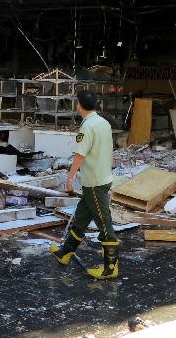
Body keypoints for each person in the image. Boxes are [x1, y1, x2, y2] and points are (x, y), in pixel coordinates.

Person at [50, 90, 119, 280]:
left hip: (94, 183)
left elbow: (79, 155)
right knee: (81, 218)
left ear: (79, 105)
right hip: (101, 178)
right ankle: (65, 253)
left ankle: (110, 267)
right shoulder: (104, 123)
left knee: (104, 224)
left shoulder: (87, 126)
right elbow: (109, 150)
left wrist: (70, 179)